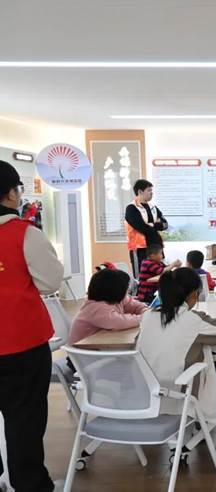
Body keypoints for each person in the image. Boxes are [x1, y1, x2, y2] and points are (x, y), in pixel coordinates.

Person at [137, 267, 216, 449]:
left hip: (146, 394)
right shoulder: (193, 320)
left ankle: (200, 426)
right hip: (179, 396)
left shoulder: (147, 316)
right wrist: (204, 318)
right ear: (194, 294)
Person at [0, 160, 64, 491]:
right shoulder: (24, 233)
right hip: (20, 343)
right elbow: (50, 281)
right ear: (12, 193)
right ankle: (30, 484)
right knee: (24, 419)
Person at [69, 269, 147, 345]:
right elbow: (119, 322)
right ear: (116, 290)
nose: (128, 291)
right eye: (126, 288)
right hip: (82, 349)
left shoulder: (118, 298)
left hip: (99, 343)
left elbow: (135, 305)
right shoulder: (96, 307)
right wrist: (144, 318)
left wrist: (145, 310)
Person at [125, 179, 168, 278]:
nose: (152, 193)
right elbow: (141, 227)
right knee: (142, 277)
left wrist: (152, 225)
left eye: (151, 190)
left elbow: (165, 224)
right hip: (140, 249)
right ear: (140, 192)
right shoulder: (131, 208)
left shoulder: (153, 207)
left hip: (156, 247)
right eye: (149, 190)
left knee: (160, 276)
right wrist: (156, 225)